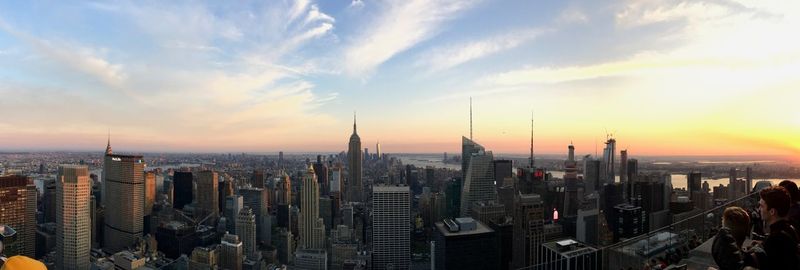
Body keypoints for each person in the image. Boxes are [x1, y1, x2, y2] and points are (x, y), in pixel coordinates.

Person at [751, 186, 800, 270]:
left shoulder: (776, 239)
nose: (759, 209)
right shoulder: (790, 229)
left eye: (762, 206)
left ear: (772, 211)